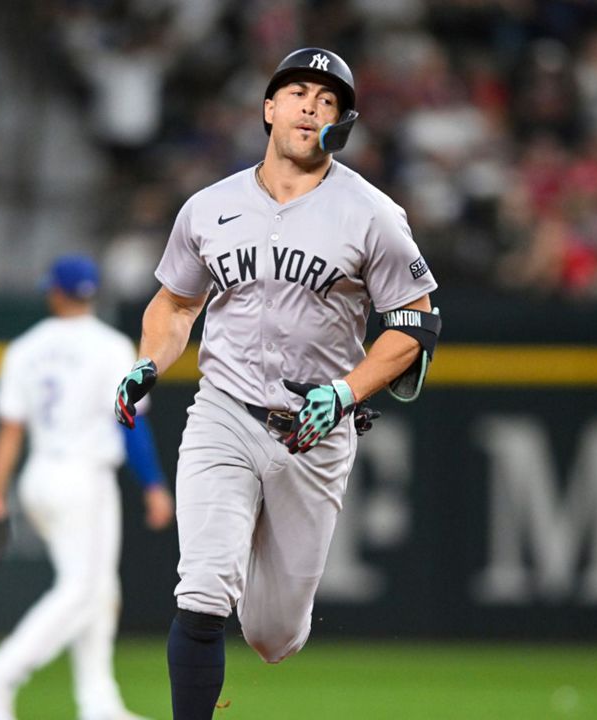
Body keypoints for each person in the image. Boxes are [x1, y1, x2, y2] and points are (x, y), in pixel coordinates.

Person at [114, 48, 440, 719]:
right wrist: (150, 360)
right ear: (268, 108)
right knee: (202, 589)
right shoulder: (209, 207)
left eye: (328, 100)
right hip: (224, 411)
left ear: (341, 123)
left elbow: (415, 324)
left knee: (271, 634)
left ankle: (277, 617)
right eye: (297, 92)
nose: (311, 106)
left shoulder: (372, 213)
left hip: (314, 430)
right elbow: (175, 304)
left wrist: (347, 393)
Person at [0, 255, 176, 720]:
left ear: (56, 292)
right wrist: (154, 483)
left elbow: (10, 429)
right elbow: (130, 419)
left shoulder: (24, 348)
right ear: (91, 293)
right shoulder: (112, 347)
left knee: (99, 589)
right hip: (85, 479)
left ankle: (99, 702)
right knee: (82, 589)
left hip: (40, 477)